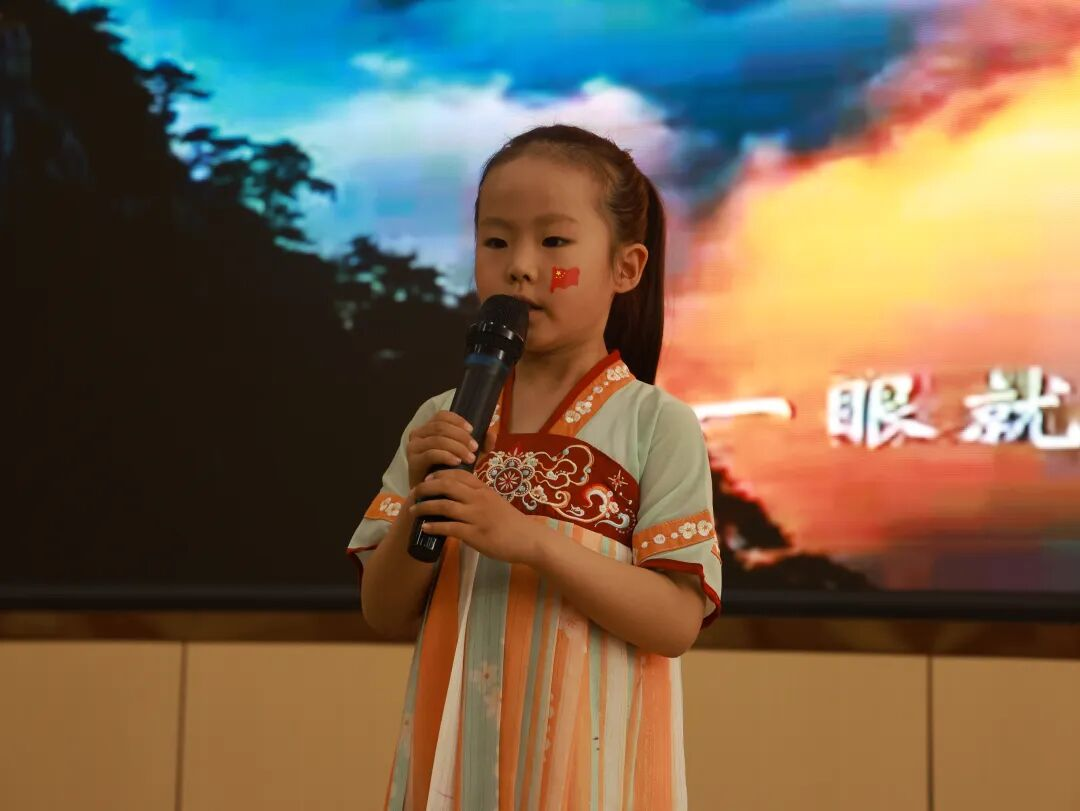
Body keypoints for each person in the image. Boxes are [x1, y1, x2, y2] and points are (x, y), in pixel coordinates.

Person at [348, 124, 722, 810]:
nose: (519, 267)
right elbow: (383, 607)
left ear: (626, 267)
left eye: (553, 241)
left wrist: (531, 542)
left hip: (593, 775)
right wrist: (422, 499)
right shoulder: (443, 417)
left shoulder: (655, 422)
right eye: (495, 242)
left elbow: (675, 621)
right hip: (456, 768)